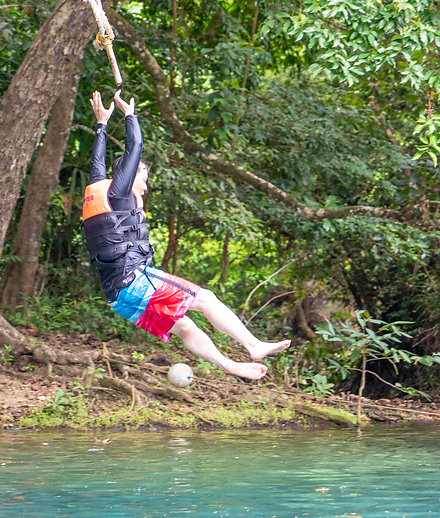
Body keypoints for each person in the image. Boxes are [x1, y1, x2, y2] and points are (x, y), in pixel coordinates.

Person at [82, 90, 290, 380]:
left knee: (185, 327)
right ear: (128, 178)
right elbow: (135, 147)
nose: (144, 187)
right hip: (135, 280)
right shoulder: (119, 192)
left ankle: (228, 365)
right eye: (143, 180)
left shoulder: (99, 190)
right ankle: (253, 344)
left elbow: (96, 163)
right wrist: (130, 115)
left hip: (117, 297)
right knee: (205, 299)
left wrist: (102, 124)